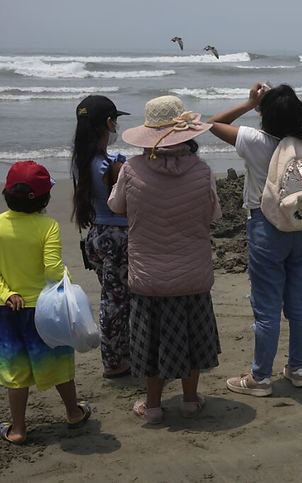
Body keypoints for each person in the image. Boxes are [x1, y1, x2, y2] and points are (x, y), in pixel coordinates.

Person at [108, 95, 222, 424]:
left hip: (148, 276)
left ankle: (153, 405)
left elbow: (116, 206)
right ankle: (189, 399)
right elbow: (213, 214)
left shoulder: (131, 169)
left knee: (150, 340)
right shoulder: (202, 171)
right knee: (193, 338)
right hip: (192, 273)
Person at [207, 83, 302, 397]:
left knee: (267, 307)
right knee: (299, 304)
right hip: (301, 228)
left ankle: (260, 378)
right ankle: (298, 369)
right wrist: (268, 102)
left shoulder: (255, 140)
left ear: (265, 115)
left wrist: (249, 102)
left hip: (267, 228)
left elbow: (211, 123)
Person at [1, 161, 91, 444]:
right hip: (44, 310)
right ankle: (73, 412)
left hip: (9, 309)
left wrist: (5, 294)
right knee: (57, 361)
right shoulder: (48, 226)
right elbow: (52, 268)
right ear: (44, 197)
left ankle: (17, 429)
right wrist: (66, 279)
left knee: (16, 372)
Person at [70, 95, 132, 379]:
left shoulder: (85, 161)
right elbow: (122, 201)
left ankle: (118, 354)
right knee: (116, 302)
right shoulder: (109, 165)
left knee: (112, 298)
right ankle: (114, 361)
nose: (116, 125)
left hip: (97, 233)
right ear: (108, 123)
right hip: (117, 235)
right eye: (115, 120)